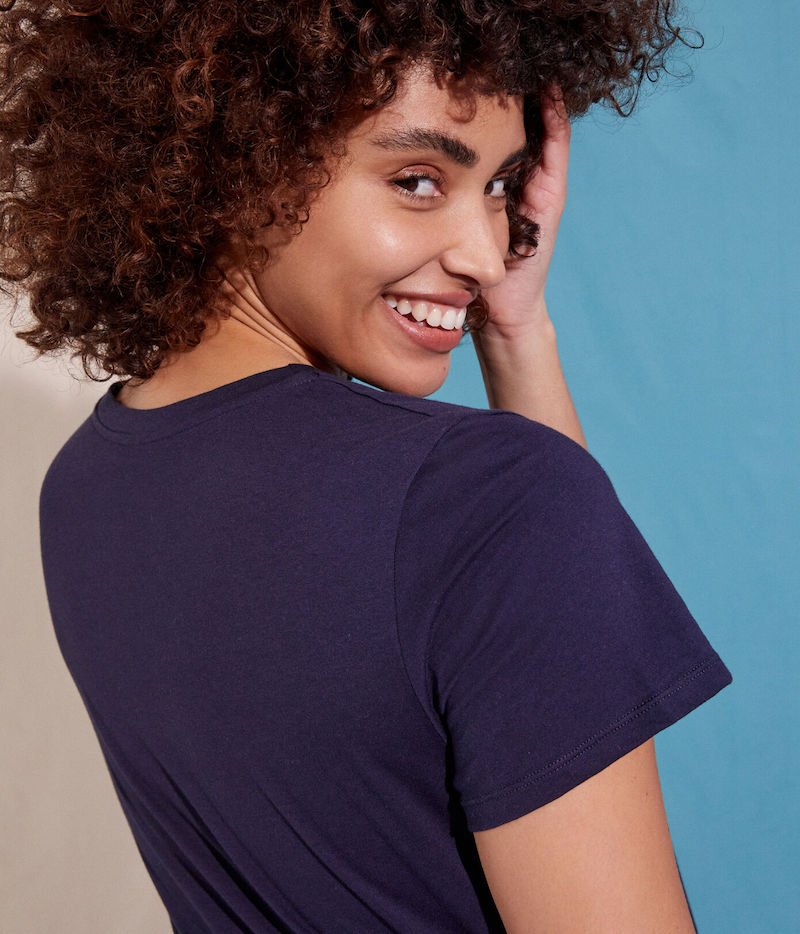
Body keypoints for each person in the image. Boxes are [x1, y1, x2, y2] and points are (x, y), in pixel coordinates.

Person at [1, 1, 732, 931]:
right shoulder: (487, 502)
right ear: (244, 158)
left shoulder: (85, 488)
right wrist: (524, 351)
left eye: (501, 188)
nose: (486, 255)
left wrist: (515, 331)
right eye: (419, 181)